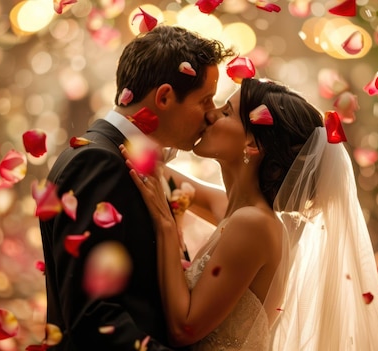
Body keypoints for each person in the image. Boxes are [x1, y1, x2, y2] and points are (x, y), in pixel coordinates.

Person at [121, 78, 378, 350]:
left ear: (252, 145)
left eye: (226, 112)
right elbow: (156, 175)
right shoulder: (237, 211)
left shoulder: (253, 223)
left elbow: (185, 329)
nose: (209, 114)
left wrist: (166, 227)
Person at [39, 25, 233, 350]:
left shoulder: (130, 161)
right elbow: (93, 317)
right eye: (204, 100)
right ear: (165, 97)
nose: (211, 113)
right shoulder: (98, 163)